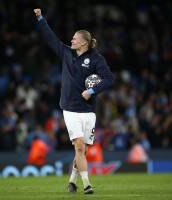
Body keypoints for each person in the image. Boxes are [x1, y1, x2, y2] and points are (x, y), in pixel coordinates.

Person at [34, 8, 114, 194]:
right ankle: (87, 185)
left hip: (88, 110)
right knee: (79, 145)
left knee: (82, 152)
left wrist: (92, 90)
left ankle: (72, 181)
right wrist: (40, 18)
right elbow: (50, 38)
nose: (72, 40)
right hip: (70, 108)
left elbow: (109, 78)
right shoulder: (66, 53)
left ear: (84, 42)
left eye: (75, 38)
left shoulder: (96, 59)